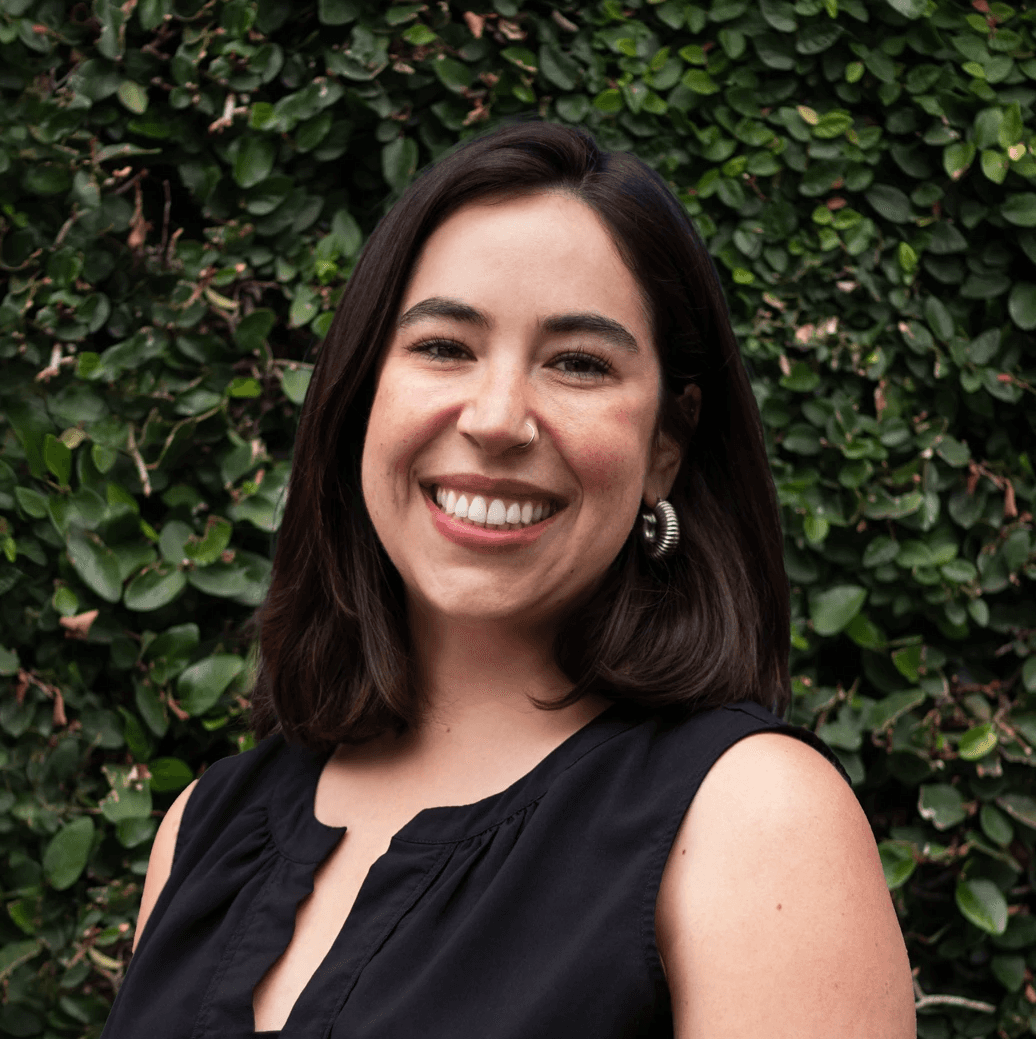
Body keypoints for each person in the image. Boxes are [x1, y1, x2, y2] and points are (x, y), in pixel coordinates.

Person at [102, 122, 916, 1038]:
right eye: (444, 346)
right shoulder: (204, 829)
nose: (495, 419)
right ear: (362, 392)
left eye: (579, 363)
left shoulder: (754, 820)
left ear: (667, 445)